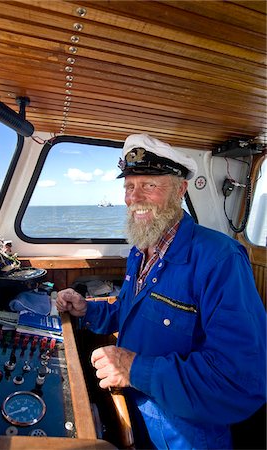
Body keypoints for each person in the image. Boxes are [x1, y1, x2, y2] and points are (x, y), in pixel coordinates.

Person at [57, 134, 266, 449]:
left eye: (150, 186)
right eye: (129, 186)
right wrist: (88, 310)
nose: (135, 197)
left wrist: (133, 368)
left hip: (188, 431)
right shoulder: (141, 250)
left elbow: (241, 379)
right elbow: (131, 311)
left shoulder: (220, 259)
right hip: (136, 411)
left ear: (180, 191)